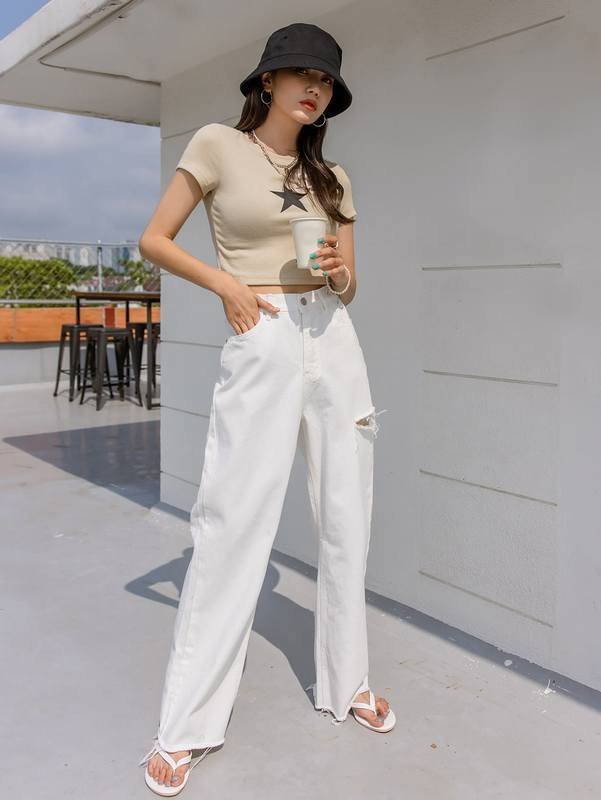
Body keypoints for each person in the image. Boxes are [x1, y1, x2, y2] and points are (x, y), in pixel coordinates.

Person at [137, 21, 395, 796]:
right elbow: (155, 239)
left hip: (333, 337)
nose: (314, 87)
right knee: (232, 519)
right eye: (301, 73)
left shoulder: (333, 176)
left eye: (326, 79)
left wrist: (337, 272)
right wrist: (225, 284)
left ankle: (348, 682)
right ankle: (185, 725)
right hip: (264, 330)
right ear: (268, 80)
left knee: (346, 515)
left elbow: (350, 283)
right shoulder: (218, 144)